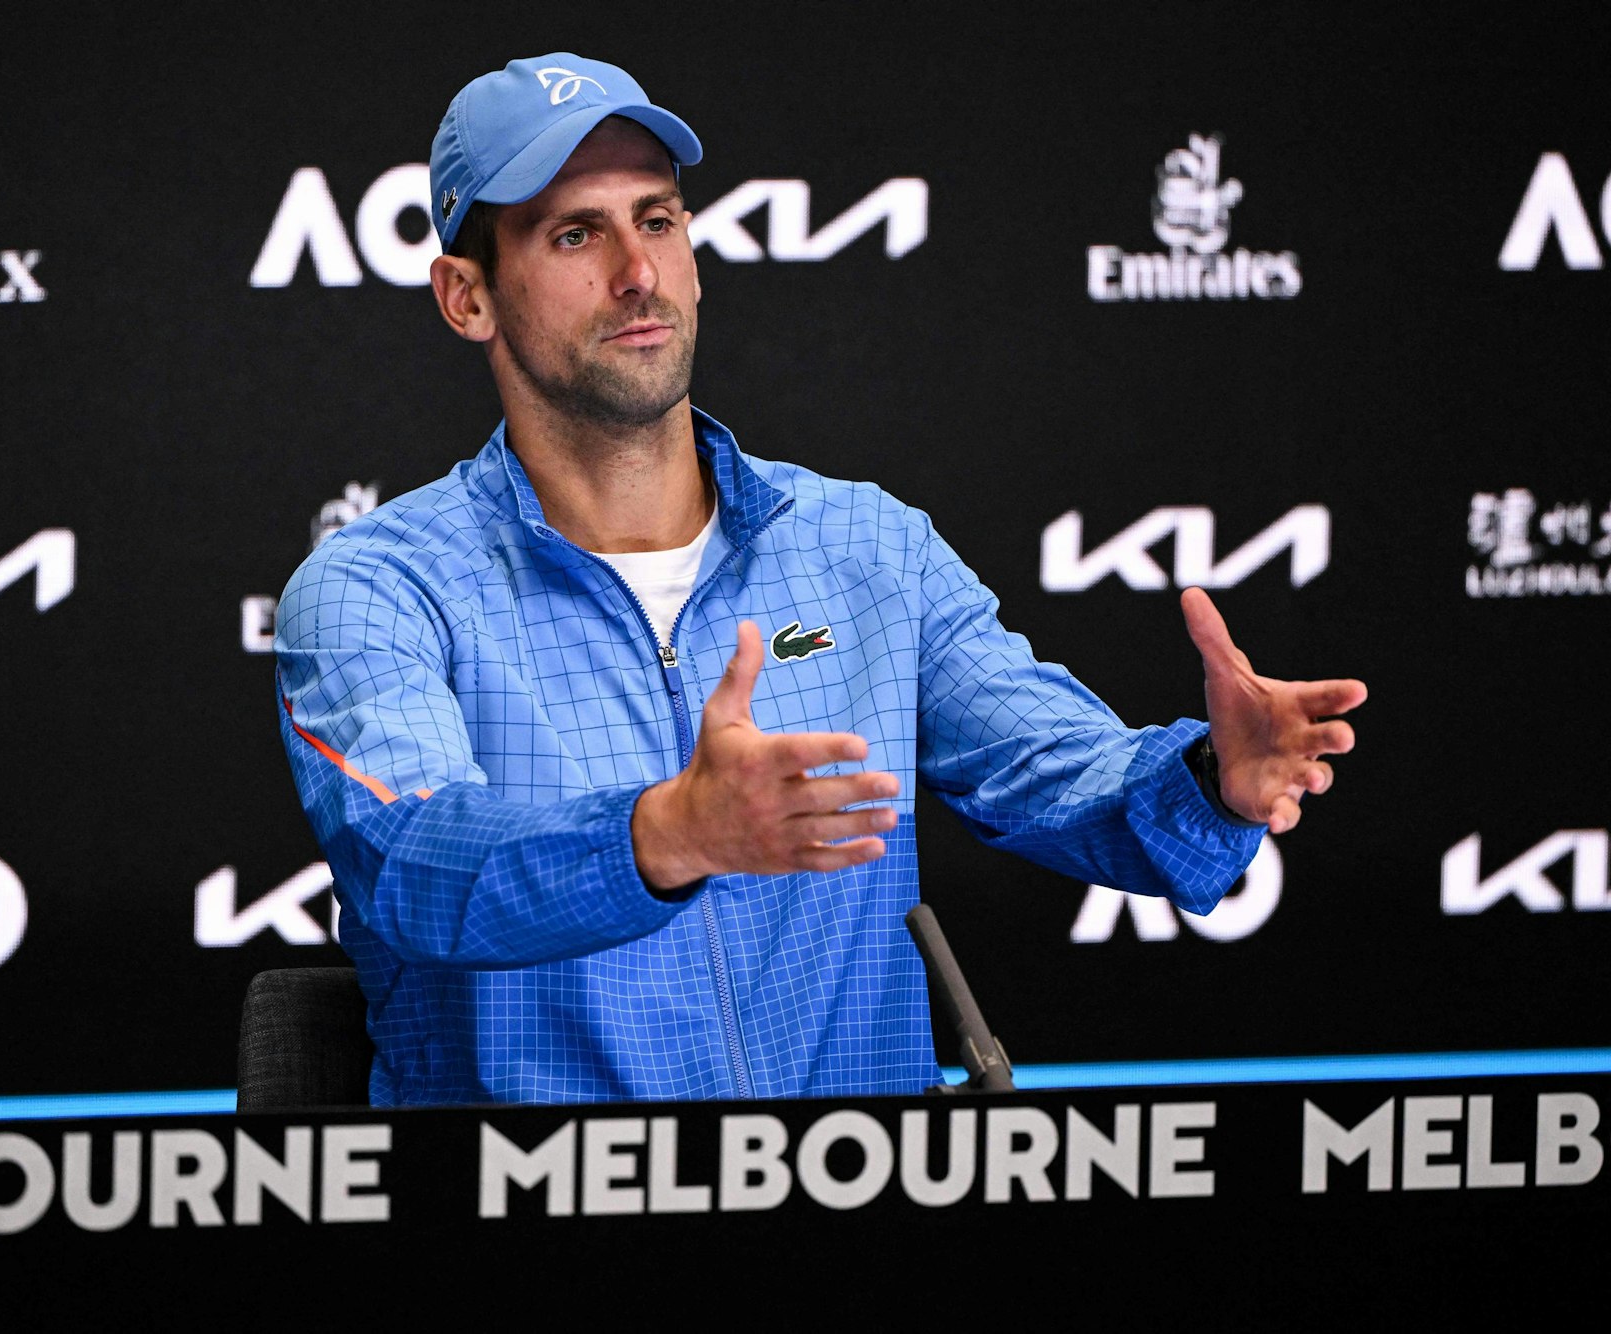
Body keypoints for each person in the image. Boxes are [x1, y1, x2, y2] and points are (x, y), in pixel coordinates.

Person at [274, 52, 1365, 1106]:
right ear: (465, 297)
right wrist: (669, 831)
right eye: (574, 234)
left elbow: (1053, 769)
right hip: (543, 1201)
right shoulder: (379, 589)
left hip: (853, 1193)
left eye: (657, 220)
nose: (636, 273)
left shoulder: (866, 545)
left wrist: (1209, 778)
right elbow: (411, 863)